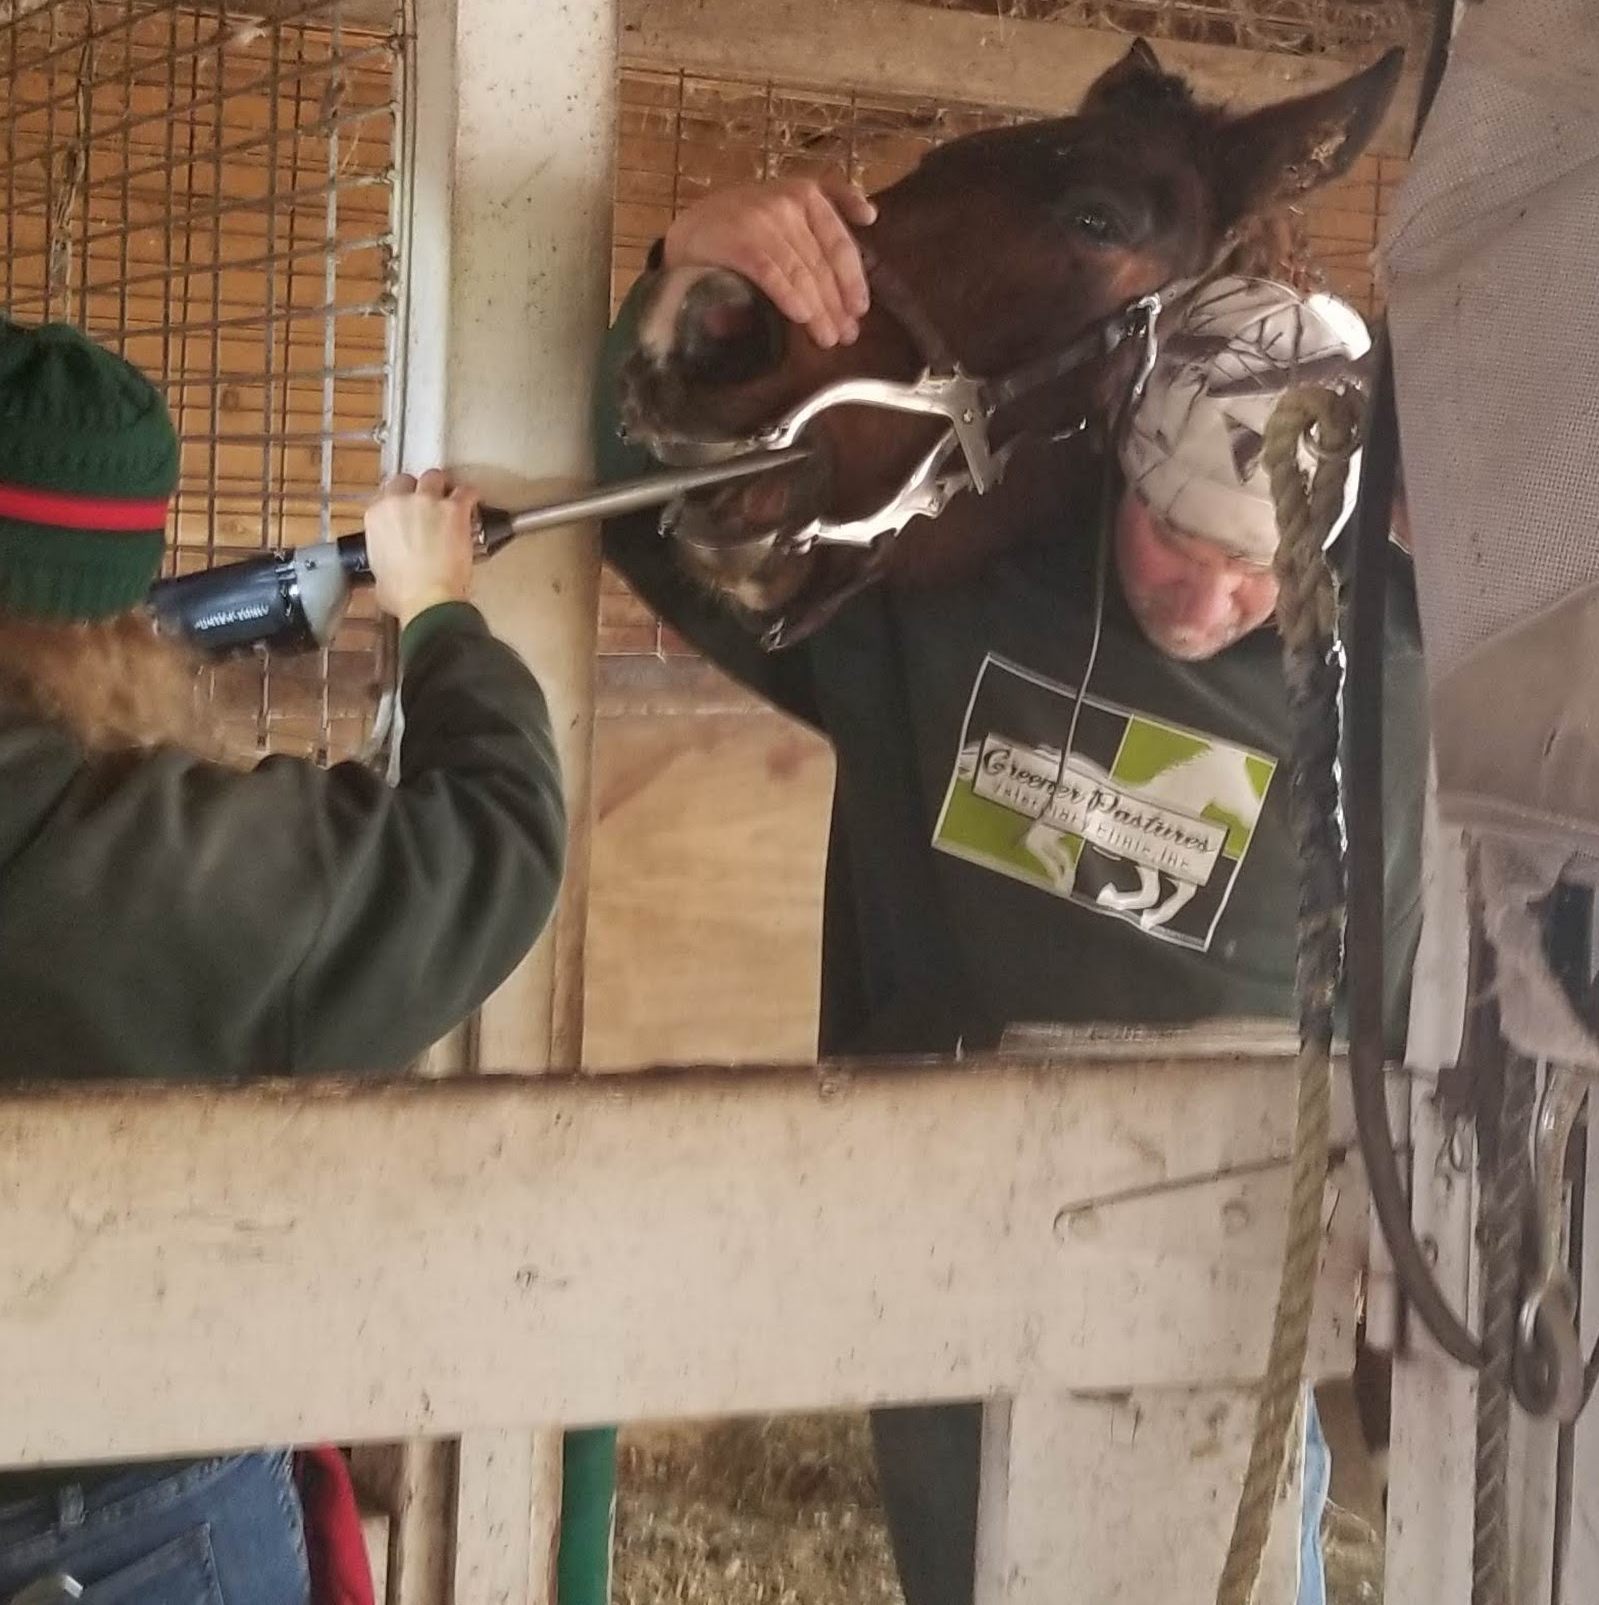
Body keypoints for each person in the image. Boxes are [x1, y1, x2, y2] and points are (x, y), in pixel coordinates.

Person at [594, 178, 1430, 1605]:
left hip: (1221, 1257)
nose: (1210, 593)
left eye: (1258, 572)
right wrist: (679, 274)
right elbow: (640, 517)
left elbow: (1401, 994)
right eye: (1177, 533)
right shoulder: (956, 600)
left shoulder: (1377, 696)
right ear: (1124, 463)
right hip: (948, 1226)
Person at [0, 318, 568, 1601]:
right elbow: (493, 839)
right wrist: (436, 615)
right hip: (123, 1518)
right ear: (109, 620)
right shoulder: (163, 870)